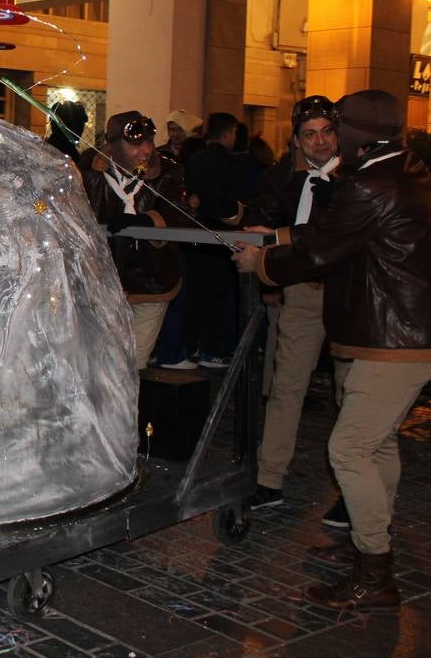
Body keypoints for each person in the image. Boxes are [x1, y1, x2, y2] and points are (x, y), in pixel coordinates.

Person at [234, 90, 430, 612]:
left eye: (336, 127)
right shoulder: (407, 171)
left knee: (348, 449)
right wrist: (277, 237)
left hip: (392, 338)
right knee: (379, 443)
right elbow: (331, 232)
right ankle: (370, 540)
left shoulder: (371, 182)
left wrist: (263, 266)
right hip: (394, 333)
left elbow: (321, 248)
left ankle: (375, 572)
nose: (330, 138)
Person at [242, 95, 340, 512]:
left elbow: (329, 236)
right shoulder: (287, 176)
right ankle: (269, 479)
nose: (320, 142)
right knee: (286, 387)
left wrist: (278, 237)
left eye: (327, 132)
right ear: (297, 141)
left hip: (349, 295)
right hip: (302, 292)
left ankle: (352, 495)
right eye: (310, 134)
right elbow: (264, 213)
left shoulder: (355, 179)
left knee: (352, 395)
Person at [80, 112, 189, 370]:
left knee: (132, 366)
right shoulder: (91, 170)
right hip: (102, 283)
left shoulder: (168, 170)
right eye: (137, 144)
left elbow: (180, 212)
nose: (146, 151)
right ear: (115, 145)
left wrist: (148, 221)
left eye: (150, 142)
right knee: (100, 365)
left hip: (152, 280)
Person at [183, 112, 247, 369]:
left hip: (196, 233)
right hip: (224, 233)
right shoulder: (234, 164)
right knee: (221, 295)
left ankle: (194, 345)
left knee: (196, 293)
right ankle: (216, 349)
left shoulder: (194, 160)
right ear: (230, 133)